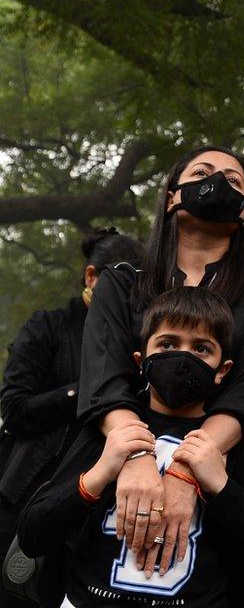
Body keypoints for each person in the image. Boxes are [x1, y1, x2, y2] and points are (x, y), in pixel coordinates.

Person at [76, 146, 244, 577]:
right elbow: (103, 375)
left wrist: (186, 470)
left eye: (234, 181)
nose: (218, 183)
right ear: (173, 195)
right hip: (116, 458)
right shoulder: (122, 282)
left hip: (225, 471)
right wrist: (138, 458)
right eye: (203, 172)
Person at [17, 287, 244, 607]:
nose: (183, 358)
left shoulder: (236, 444)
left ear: (223, 370)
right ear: (141, 360)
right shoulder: (105, 431)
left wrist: (221, 486)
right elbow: (33, 535)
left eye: (201, 348)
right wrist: (99, 474)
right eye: (168, 344)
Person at [0, 228, 143, 608]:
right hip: (29, 492)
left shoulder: (138, 341)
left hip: (98, 503)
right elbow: (14, 410)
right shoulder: (46, 326)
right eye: (121, 283)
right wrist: (92, 386)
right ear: (92, 277)